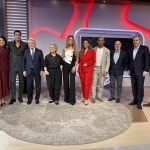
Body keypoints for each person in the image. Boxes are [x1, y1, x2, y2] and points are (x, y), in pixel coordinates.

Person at [127, 35, 149, 109]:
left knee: (140, 87)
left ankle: (139, 102)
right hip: (132, 71)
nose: (135, 41)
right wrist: (129, 69)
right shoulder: (130, 49)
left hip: (141, 71)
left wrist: (146, 70)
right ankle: (135, 100)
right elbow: (129, 61)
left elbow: (147, 60)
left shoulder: (144, 48)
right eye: (134, 40)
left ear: (139, 41)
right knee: (134, 87)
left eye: (137, 40)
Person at [8, 30, 28, 104]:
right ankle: (13, 98)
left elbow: (27, 56)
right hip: (12, 66)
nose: (17, 36)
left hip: (21, 66)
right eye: (16, 35)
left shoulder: (25, 45)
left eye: (18, 35)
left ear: (20, 36)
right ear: (14, 36)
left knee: (21, 82)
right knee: (12, 82)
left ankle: (20, 97)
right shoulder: (9, 44)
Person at [23, 38, 44, 105]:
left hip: (37, 71)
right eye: (29, 43)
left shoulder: (39, 51)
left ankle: (37, 99)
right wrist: (24, 70)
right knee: (29, 86)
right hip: (28, 71)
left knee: (38, 86)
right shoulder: (26, 51)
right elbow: (24, 62)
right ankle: (30, 99)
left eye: (32, 43)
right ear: (28, 44)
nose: (31, 44)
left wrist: (41, 70)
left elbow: (42, 62)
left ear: (35, 44)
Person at [91, 36, 110, 103]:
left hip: (102, 69)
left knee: (101, 84)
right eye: (99, 40)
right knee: (94, 83)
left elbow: (108, 61)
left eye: (102, 40)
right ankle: (93, 96)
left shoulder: (107, 50)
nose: (101, 41)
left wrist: (106, 70)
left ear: (104, 41)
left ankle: (99, 96)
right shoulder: (93, 49)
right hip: (95, 68)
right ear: (97, 41)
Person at [62, 35, 79, 105]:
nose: (71, 41)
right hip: (65, 67)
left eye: (72, 39)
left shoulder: (76, 49)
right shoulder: (64, 49)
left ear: (73, 41)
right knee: (65, 83)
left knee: (72, 84)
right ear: (67, 40)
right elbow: (62, 58)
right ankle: (67, 98)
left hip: (72, 67)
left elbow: (77, 59)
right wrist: (61, 65)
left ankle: (72, 100)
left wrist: (75, 67)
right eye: (69, 39)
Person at [78, 39, 96, 105]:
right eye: (84, 43)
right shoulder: (81, 51)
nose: (85, 44)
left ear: (88, 44)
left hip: (88, 70)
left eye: (86, 43)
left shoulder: (92, 51)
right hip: (81, 70)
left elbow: (93, 60)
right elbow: (79, 60)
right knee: (83, 84)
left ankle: (86, 99)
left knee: (87, 84)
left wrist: (87, 64)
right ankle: (84, 97)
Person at [0, 36, 9, 106]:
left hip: (5, 70)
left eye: (3, 40)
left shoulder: (7, 49)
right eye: (0, 40)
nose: (1, 41)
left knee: (3, 84)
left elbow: (8, 60)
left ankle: (2, 99)